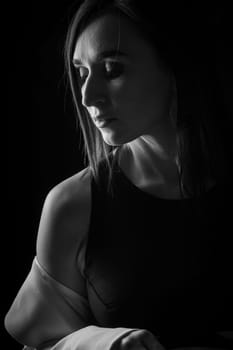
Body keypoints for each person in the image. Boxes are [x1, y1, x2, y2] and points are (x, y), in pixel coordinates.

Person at [4, 0, 233, 349]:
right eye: (82, 73)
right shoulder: (73, 205)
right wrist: (104, 344)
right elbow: (42, 342)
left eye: (112, 70)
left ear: (175, 63)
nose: (86, 95)